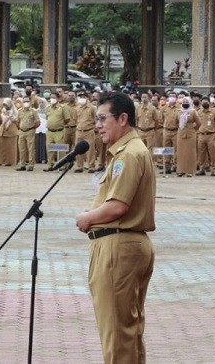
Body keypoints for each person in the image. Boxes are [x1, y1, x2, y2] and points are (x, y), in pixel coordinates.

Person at [75, 92, 155, 364]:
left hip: (118, 247)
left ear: (123, 119)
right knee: (127, 331)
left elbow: (118, 206)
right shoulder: (130, 151)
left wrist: (87, 217)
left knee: (117, 334)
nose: (97, 125)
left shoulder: (128, 156)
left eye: (102, 118)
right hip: (124, 244)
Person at [44, 91, 69, 171]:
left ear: (58, 99)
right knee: (49, 148)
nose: (52, 99)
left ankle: (62, 165)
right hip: (49, 132)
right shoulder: (48, 108)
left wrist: (59, 124)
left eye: (54, 97)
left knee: (60, 149)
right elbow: (47, 118)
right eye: (51, 98)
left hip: (59, 131)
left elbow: (67, 119)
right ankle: (50, 165)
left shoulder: (62, 107)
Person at [176, 96, 200, 177]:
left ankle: (190, 170)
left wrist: (193, 129)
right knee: (181, 152)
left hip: (190, 134)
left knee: (190, 152)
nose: (185, 103)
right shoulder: (179, 111)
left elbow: (198, 123)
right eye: (184, 102)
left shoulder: (193, 111)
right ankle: (181, 170)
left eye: (187, 102)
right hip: (181, 134)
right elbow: (176, 122)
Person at [16, 95, 40, 171]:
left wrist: (32, 128)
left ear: (30, 102)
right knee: (21, 149)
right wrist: (20, 128)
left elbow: (38, 122)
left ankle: (31, 165)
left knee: (31, 149)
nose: (26, 103)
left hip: (30, 131)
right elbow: (17, 121)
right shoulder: (20, 111)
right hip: (21, 131)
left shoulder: (33, 111)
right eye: (24, 101)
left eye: (27, 101)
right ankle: (22, 164)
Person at [74, 92, 97, 172]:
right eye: (80, 97)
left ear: (87, 98)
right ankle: (79, 166)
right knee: (78, 149)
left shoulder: (92, 108)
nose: (82, 98)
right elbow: (75, 119)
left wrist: (94, 127)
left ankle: (91, 166)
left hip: (89, 130)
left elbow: (96, 118)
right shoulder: (77, 108)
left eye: (84, 97)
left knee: (90, 150)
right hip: (79, 131)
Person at [0, 98, 18, 167]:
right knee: (1, 147)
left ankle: (10, 161)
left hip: (11, 131)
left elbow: (17, 120)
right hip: (2, 131)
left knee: (11, 148)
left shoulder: (15, 112)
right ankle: (1, 160)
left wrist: (11, 118)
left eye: (6, 104)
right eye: (4, 104)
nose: (5, 106)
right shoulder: (2, 111)